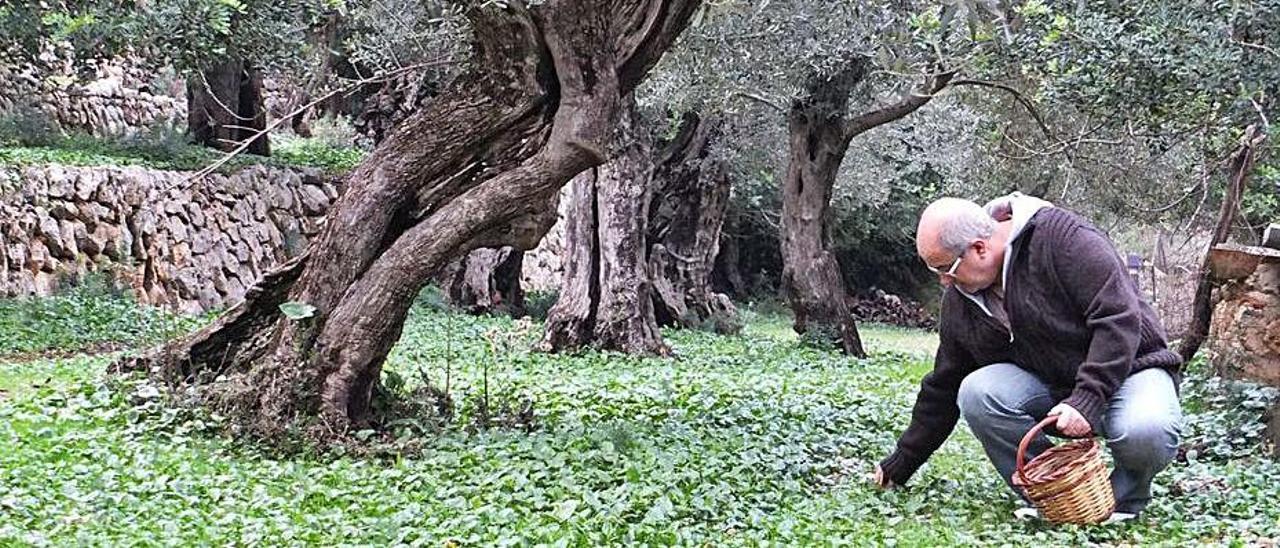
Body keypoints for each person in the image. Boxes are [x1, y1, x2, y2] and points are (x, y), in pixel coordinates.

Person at [872, 193, 1183, 521]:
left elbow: (1118, 320)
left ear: (979, 248)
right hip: (1054, 382)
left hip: (1133, 367)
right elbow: (945, 384)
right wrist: (901, 463)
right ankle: (1053, 495)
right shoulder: (962, 300)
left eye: (945, 268)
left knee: (1148, 430)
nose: (943, 281)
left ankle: (1122, 501)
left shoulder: (1063, 239)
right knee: (978, 391)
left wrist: (1087, 398)